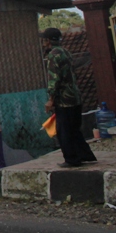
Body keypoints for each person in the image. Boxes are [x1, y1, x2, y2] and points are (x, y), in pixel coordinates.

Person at [42, 27, 97, 167]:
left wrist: (51, 100)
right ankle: (85, 154)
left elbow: (54, 80)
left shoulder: (53, 55)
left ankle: (72, 159)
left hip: (64, 99)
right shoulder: (66, 52)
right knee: (74, 129)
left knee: (64, 131)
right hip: (75, 96)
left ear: (48, 40)